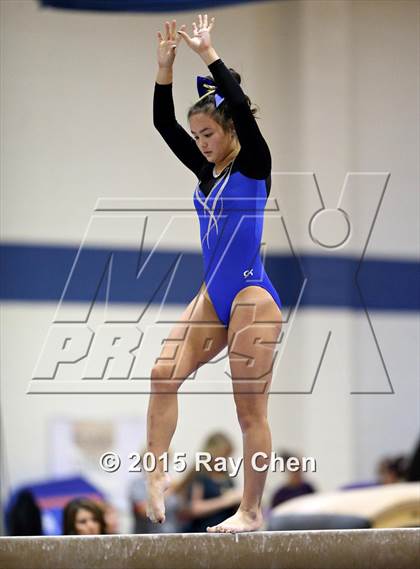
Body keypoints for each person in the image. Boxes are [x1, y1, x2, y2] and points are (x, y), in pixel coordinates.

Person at [147, 14, 283, 533]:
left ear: (229, 130)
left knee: (249, 411)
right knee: (163, 375)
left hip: (252, 295)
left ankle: (250, 510)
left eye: (208, 133)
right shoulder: (207, 171)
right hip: (215, 294)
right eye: (197, 135)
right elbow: (163, 125)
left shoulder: (254, 165)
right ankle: (156, 472)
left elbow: (243, 111)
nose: (200, 142)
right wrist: (165, 69)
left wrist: (208, 55)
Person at [176, 432, 242, 532]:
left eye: (228, 456)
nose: (225, 460)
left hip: (224, 530)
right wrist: (226, 501)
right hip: (202, 531)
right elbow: (195, 508)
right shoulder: (200, 475)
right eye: (223, 456)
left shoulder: (227, 477)